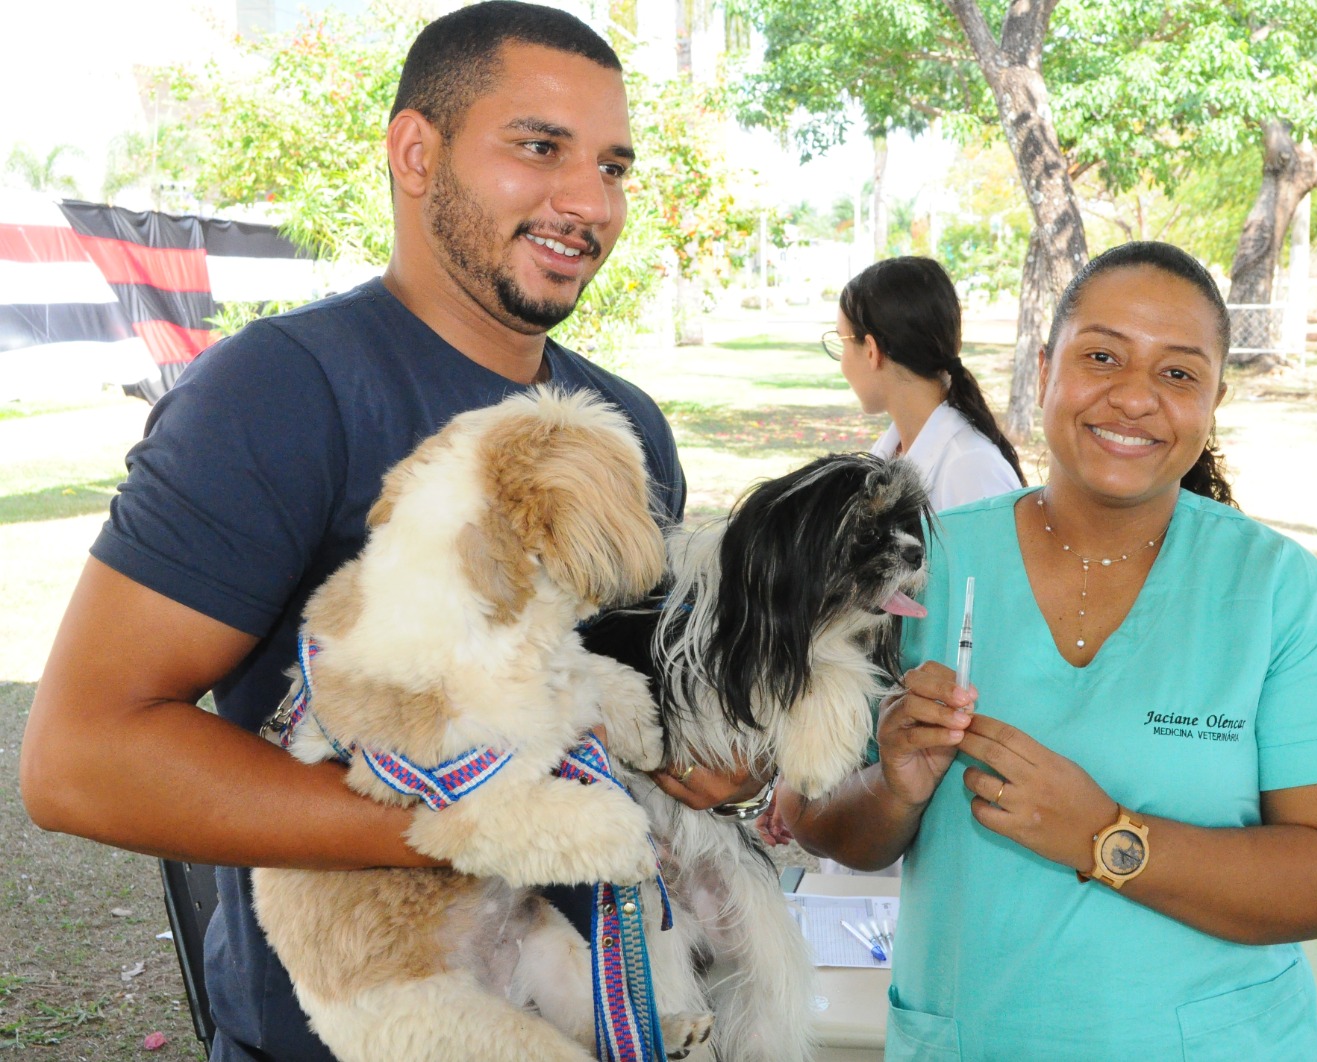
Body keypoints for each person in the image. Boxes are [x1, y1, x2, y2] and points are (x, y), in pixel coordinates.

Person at [17, 6, 763, 1060]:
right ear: (417, 152)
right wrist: (467, 824)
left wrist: (720, 767)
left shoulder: (619, 429)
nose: (590, 202)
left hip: (597, 1013)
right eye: (539, 148)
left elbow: (616, 715)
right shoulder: (281, 390)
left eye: (613, 166)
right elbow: (81, 759)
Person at [780, 241, 1317, 1059]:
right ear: (1044, 371)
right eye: (1101, 356)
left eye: (1178, 374)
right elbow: (814, 819)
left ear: (1214, 398)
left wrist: (1107, 839)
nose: (1135, 398)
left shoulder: (1280, 594)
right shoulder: (918, 567)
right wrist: (893, 789)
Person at [825, 256, 1024, 510]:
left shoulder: (972, 470)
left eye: (842, 342)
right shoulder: (891, 449)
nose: (842, 361)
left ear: (871, 351)